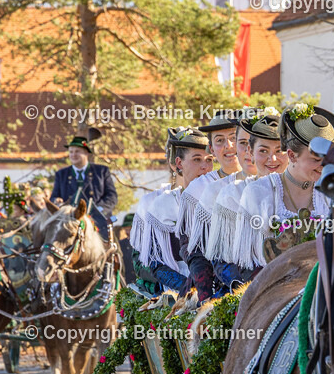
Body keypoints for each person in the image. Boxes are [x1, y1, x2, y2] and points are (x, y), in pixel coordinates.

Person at [206, 105, 334, 292]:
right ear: (292, 155)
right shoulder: (259, 193)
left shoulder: (329, 193)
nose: (324, 167)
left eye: (329, 160)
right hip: (271, 291)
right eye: (316, 160)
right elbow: (244, 263)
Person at [176, 110, 246, 302]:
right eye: (220, 140)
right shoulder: (198, 190)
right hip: (214, 283)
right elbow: (190, 248)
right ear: (211, 150)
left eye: (233, 138)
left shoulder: (265, 181)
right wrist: (207, 295)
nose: (228, 146)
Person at [129, 127, 208, 295]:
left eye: (209, 160)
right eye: (197, 159)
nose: (204, 167)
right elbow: (150, 261)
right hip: (175, 291)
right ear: (177, 163)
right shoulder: (160, 205)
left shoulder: (221, 199)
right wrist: (186, 288)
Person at [51, 129, 118, 239]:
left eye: (77, 151)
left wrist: (98, 209)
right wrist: (57, 201)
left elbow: (112, 197)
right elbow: (53, 197)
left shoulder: (101, 171)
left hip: (97, 221)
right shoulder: (61, 174)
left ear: (86, 153)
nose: (73, 155)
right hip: (70, 222)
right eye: (71, 152)